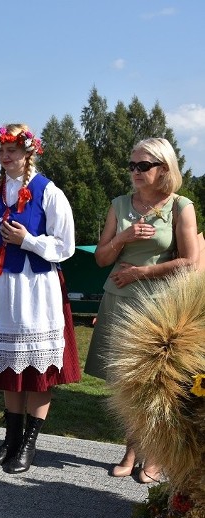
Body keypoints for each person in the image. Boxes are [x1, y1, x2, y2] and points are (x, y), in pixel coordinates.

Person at [0, 124, 79, 474]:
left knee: (36, 369)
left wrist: (28, 240)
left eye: (13, 149)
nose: (6, 156)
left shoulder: (47, 191)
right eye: (1, 150)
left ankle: (29, 443)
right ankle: (10, 439)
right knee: (9, 363)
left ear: (29, 153)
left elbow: (65, 246)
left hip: (34, 287)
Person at [85, 137, 197, 484]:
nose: (135, 171)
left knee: (154, 386)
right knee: (125, 385)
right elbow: (102, 258)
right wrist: (125, 238)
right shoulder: (119, 204)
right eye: (132, 165)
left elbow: (191, 263)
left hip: (158, 307)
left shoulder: (181, 206)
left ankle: (152, 455)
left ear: (164, 169)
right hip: (119, 301)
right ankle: (132, 452)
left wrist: (143, 272)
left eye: (143, 165)